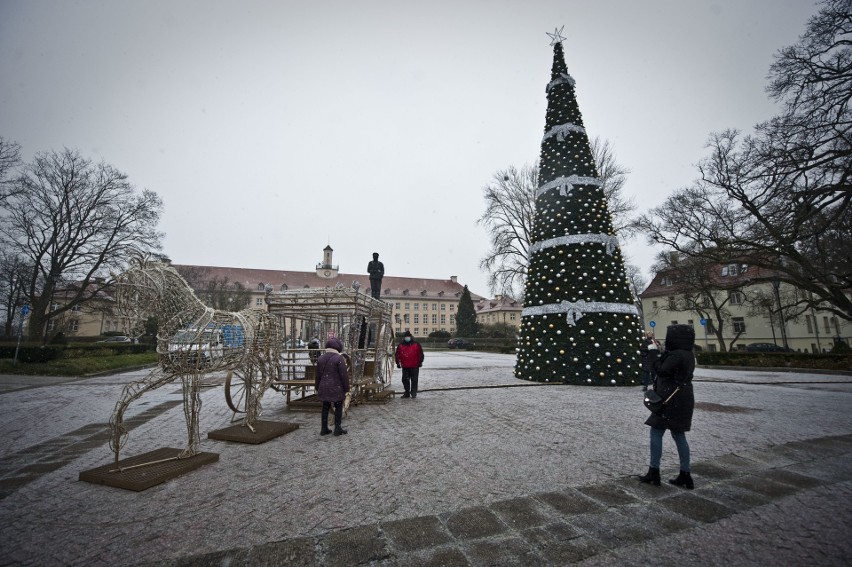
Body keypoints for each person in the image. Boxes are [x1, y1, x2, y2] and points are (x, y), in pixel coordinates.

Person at [638, 324, 696, 489]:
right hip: (683, 398)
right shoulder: (688, 354)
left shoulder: (677, 355)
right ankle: (685, 473)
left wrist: (655, 353)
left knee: (656, 432)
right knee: (679, 435)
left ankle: (654, 471)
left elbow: (661, 370)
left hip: (670, 399)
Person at [315, 337, 350, 436]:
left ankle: (324, 428)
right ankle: (337, 428)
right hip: (336, 387)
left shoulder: (321, 358)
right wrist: (346, 388)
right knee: (338, 406)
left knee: (325, 407)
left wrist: (317, 386)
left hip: (323, 386)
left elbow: (317, 375)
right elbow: (344, 375)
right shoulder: (339, 358)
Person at [394, 330, 424, 398]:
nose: (407, 338)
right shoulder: (401, 345)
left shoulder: (416, 344)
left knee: (414, 380)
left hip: (414, 365)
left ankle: (413, 393)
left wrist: (420, 362)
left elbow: (420, 354)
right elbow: (397, 354)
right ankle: (407, 392)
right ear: (404, 337)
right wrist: (398, 362)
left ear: (410, 337)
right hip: (405, 366)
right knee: (405, 380)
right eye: (406, 337)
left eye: (408, 336)